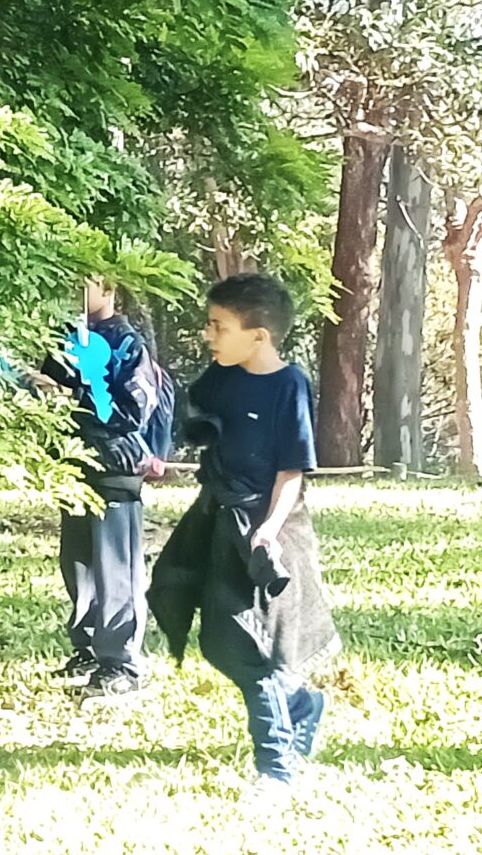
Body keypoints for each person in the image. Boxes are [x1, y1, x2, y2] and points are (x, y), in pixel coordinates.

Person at [149, 274, 334, 807]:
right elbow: (199, 412)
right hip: (215, 519)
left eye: (219, 326)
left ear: (259, 336)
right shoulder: (221, 374)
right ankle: (300, 708)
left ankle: (277, 771)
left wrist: (268, 531)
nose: (208, 335)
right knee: (216, 641)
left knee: (252, 647)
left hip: (268, 529)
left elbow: (291, 472)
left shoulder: (289, 385)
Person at [37, 275, 159, 697]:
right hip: (73, 467)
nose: (74, 292)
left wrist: (72, 398)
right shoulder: (62, 339)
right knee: (78, 563)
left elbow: (134, 410)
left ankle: (122, 663)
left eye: (84, 284)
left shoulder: (128, 344)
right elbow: (46, 394)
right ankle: (87, 648)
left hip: (114, 467)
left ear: (108, 289)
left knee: (115, 568)